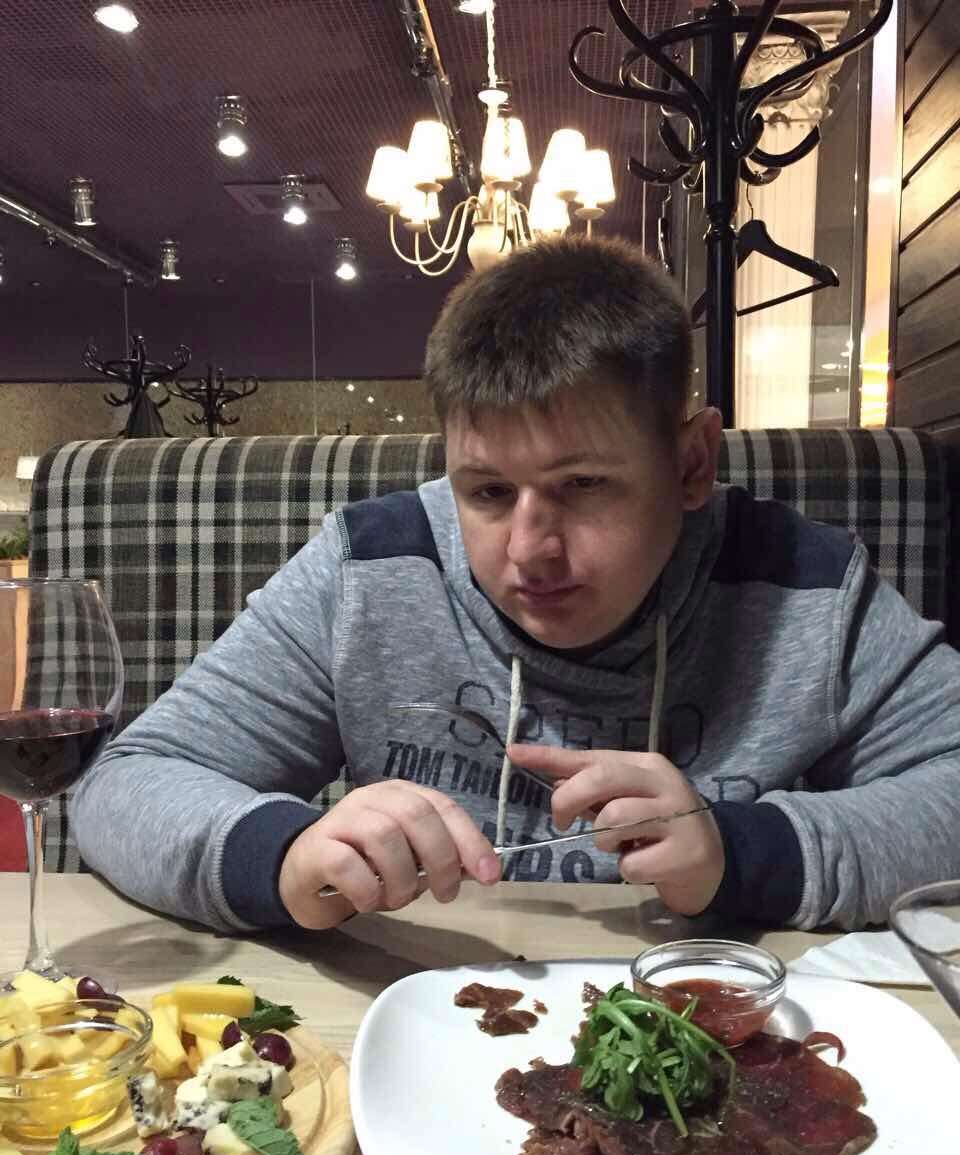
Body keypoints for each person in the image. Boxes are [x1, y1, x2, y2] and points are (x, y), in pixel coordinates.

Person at [71, 236, 960, 936]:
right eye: (489, 493)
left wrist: (741, 853)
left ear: (692, 463)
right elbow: (127, 784)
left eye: (585, 485)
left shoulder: (806, 583)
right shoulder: (372, 568)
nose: (530, 551)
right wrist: (285, 856)